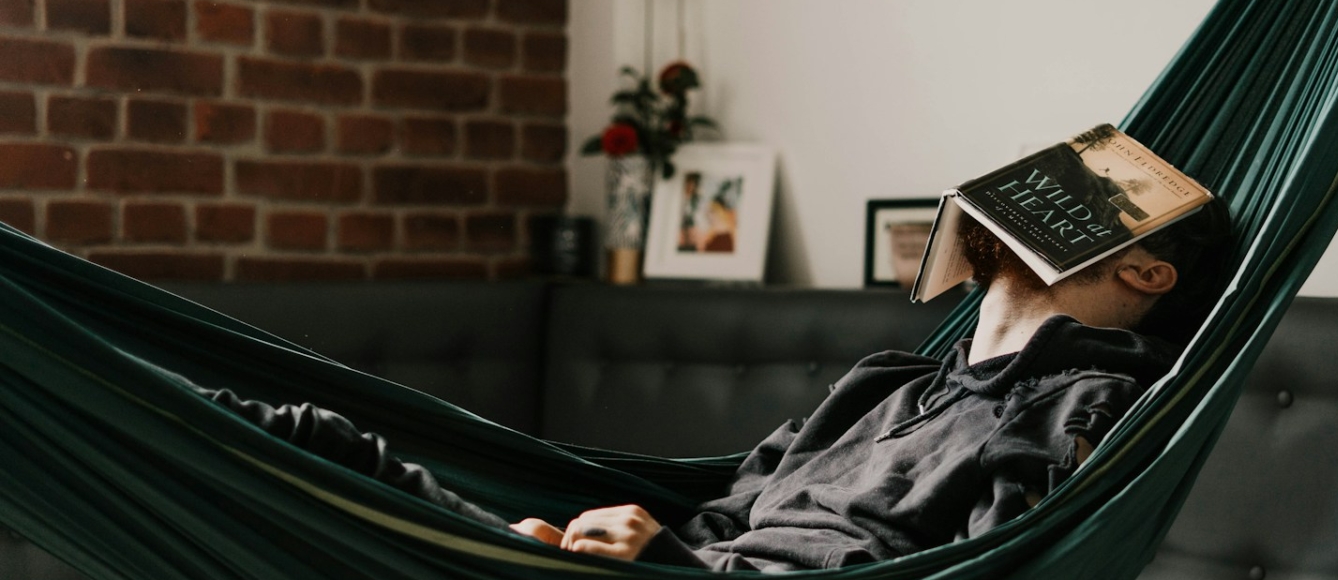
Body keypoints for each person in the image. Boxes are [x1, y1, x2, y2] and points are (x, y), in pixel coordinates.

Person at [187, 197, 1231, 572]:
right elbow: (730, 510)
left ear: (1146, 271)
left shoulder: (1091, 411)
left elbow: (980, 576)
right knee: (300, 444)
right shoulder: (887, 381)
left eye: (1094, 200)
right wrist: (626, 545)